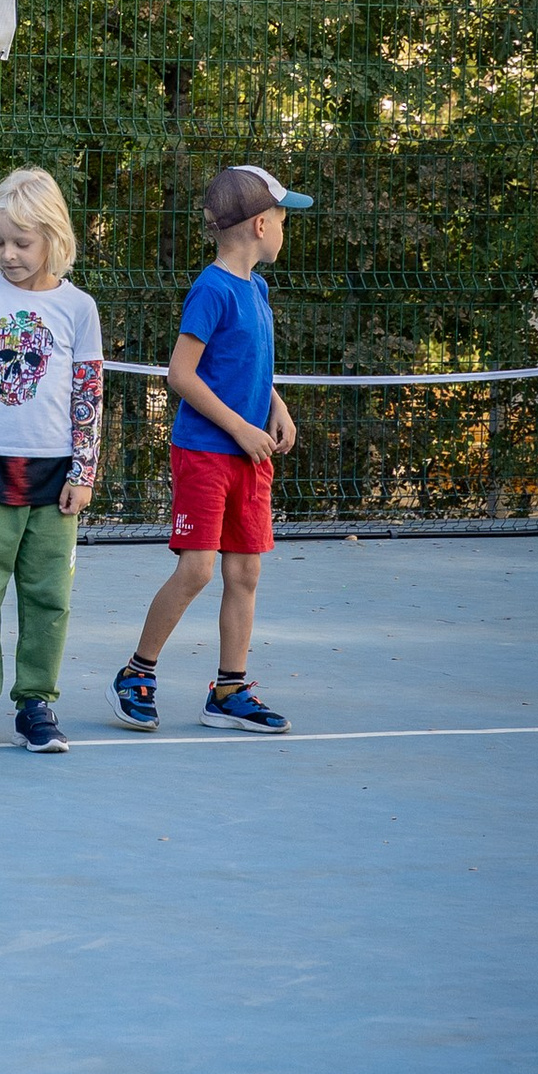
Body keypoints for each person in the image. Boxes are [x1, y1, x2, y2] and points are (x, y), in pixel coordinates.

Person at [113, 163, 309, 734]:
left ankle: (229, 690)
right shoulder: (212, 288)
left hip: (250, 456)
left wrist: (275, 406)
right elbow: (182, 374)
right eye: (280, 218)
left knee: (244, 572)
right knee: (198, 569)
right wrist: (239, 430)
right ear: (257, 226)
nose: (283, 227)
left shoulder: (258, 287)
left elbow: (245, 365)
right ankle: (136, 673)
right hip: (205, 452)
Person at [0, 166, 104, 753]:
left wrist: (83, 472)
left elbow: (88, 392)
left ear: (53, 238)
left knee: (47, 593)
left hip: (56, 479)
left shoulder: (79, 308)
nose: (8, 254)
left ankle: (37, 704)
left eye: (21, 243)